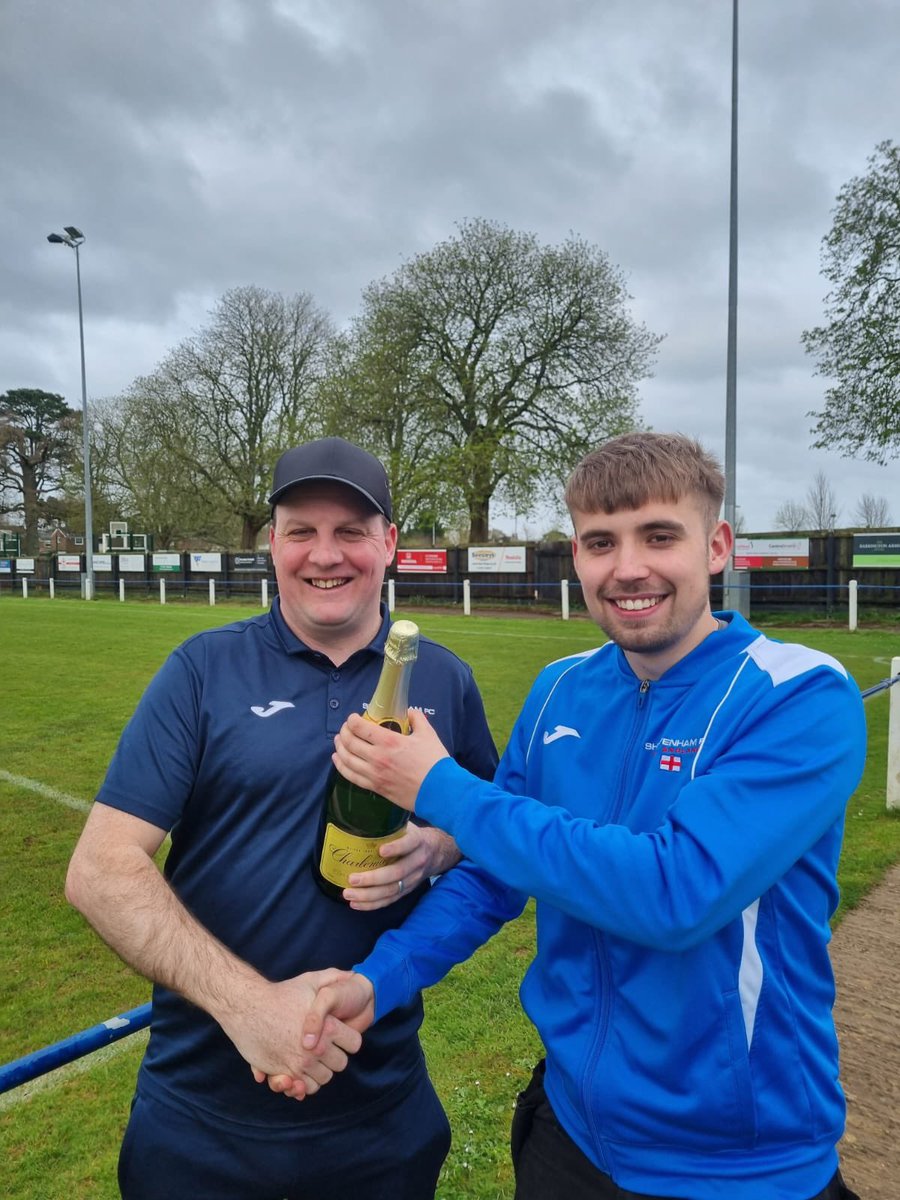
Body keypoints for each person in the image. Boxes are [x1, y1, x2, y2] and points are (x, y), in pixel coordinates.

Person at [301, 433, 866, 1200]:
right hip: (568, 1133)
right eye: (601, 542)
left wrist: (441, 788)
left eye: (659, 536)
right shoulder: (560, 689)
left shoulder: (798, 694)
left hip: (739, 1165)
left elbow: (676, 892)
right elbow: (495, 876)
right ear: (577, 557)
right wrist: (376, 982)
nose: (627, 567)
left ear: (717, 546)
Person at [65, 436, 498, 1200]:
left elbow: (492, 838)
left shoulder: (445, 681)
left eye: (351, 531)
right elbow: (101, 870)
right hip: (203, 1123)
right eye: (301, 530)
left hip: (383, 1118)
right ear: (273, 543)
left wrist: (439, 846)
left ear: (389, 543)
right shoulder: (201, 671)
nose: (323, 555)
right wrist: (251, 1008)